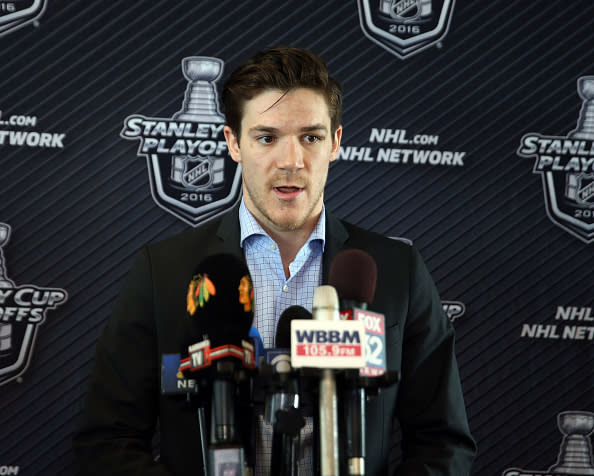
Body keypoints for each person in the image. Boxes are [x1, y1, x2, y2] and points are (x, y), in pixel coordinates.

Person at [73, 45, 476, 475]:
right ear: (233, 143)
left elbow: (442, 446)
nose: (291, 161)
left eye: (311, 137)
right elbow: (108, 441)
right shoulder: (166, 270)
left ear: (336, 143)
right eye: (267, 137)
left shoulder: (397, 270)